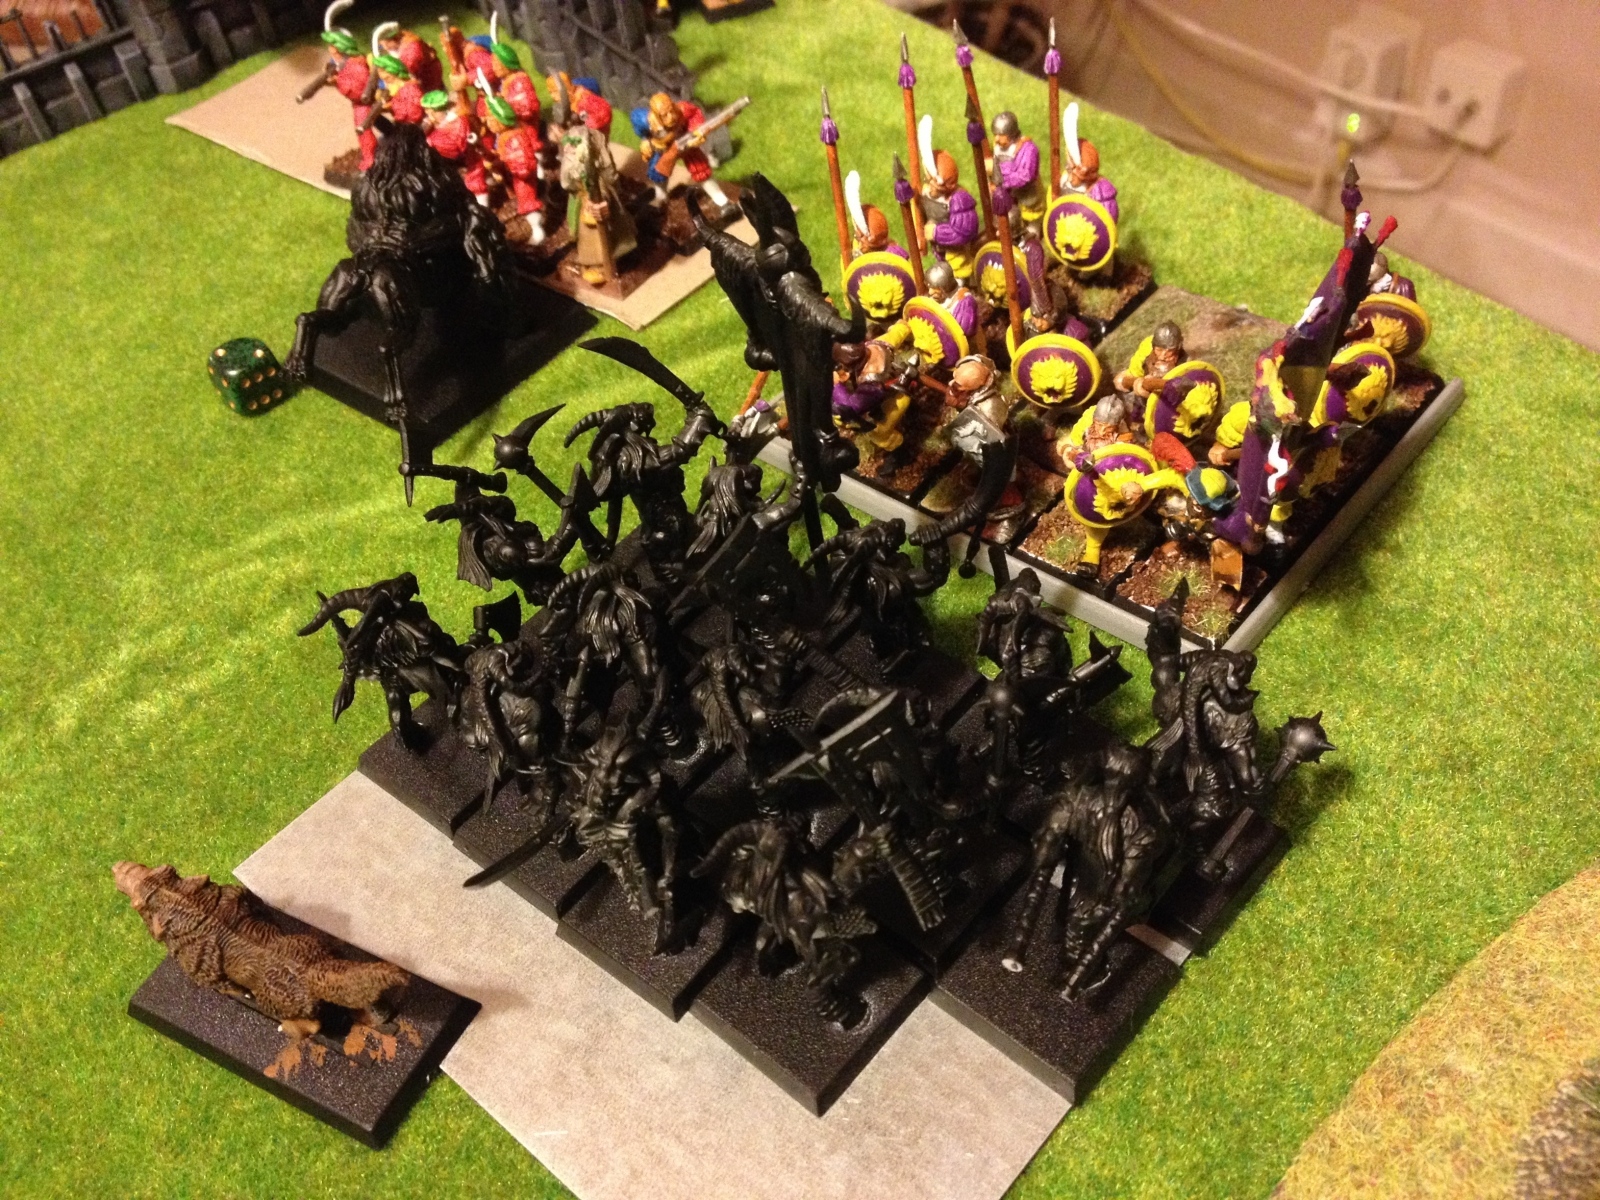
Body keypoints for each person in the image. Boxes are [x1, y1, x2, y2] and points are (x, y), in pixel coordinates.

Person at [558, 121, 638, 283]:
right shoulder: (572, 168)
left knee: (601, 234)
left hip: (596, 200)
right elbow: (568, 183)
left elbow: (604, 186)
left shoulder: (595, 167)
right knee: (586, 235)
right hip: (581, 200)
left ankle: (605, 264)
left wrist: (603, 201)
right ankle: (592, 264)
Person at [631, 91, 731, 208]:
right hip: (663, 149)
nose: (671, 117)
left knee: (701, 170)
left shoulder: (683, 110)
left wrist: (696, 131)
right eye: (664, 115)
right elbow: (639, 127)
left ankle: (722, 201)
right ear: (656, 115)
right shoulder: (646, 120)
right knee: (658, 172)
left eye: (671, 110)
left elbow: (695, 114)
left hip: (686, 144)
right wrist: (645, 141)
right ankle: (660, 198)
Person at [482, 91, 546, 244]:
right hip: (515, 176)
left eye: (491, 119)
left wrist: (502, 165)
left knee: (527, 202)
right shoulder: (504, 137)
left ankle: (538, 232)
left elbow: (522, 164)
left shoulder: (515, 138)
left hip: (523, 178)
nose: (488, 123)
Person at [920, 149, 980, 283]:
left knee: (959, 273)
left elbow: (963, 233)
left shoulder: (959, 200)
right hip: (939, 249)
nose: (929, 186)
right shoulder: (926, 192)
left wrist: (936, 232)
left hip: (958, 254)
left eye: (931, 182)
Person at [1058, 102, 1119, 221]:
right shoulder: (1065, 179)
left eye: (1070, 166)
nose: (1067, 168)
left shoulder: (1100, 194)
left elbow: (1105, 222)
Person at [989, 111, 1044, 224]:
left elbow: (1025, 176)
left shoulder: (1028, 149)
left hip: (1027, 194)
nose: (996, 139)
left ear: (1011, 133)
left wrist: (1002, 181)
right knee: (1005, 216)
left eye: (1000, 135)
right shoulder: (998, 147)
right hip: (1008, 194)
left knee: (1031, 220)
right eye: (995, 135)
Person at [373, 20, 442, 93]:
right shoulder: (400, 41)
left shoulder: (410, 54)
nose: (385, 48)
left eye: (384, 45)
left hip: (427, 79)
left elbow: (411, 78)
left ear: (392, 40)